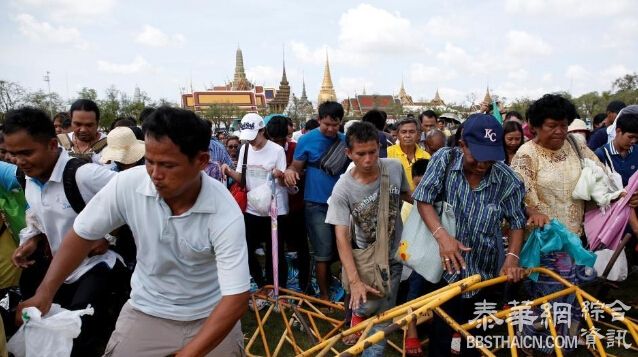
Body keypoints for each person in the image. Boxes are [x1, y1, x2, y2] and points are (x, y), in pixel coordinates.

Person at [18, 106, 250, 356]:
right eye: (150, 161)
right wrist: (45, 293)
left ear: (201, 162)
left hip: (210, 314)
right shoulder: (128, 184)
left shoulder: (223, 210)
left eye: (168, 165)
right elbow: (81, 234)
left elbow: (236, 298)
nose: (155, 175)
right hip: (146, 311)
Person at [4, 107, 118, 356]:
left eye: (26, 152)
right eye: (12, 154)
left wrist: (108, 236)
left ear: (52, 144)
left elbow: (132, 200)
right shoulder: (28, 181)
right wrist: (32, 240)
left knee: (79, 333)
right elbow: (37, 218)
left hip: (94, 267)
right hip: (59, 272)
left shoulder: (84, 175)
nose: (19, 161)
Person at [414, 113, 526, 356]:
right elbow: (423, 199)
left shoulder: (507, 180)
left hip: (483, 272)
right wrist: (443, 237)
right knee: (443, 331)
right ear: (462, 144)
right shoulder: (444, 160)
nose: (483, 165)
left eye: (490, 158)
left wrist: (512, 258)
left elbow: (517, 221)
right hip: (443, 268)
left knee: (476, 335)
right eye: (477, 156)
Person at [510, 94, 603, 355]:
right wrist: (536, 212)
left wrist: (611, 194)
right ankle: (531, 342)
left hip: (575, 238)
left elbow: (598, 174)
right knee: (546, 298)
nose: (560, 131)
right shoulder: (526, 154)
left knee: (570, 296)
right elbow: (524, 194)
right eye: (552, 125)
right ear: (536, 126)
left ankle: (563, 344)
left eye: (564, 124)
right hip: (544, 241)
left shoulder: (575, 144)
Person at [326, 121, 410, 356]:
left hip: (395, 254)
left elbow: (407, 195)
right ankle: (358, 318)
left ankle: (363, 333)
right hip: (367, 260)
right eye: (361, 154)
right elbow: (341, 235)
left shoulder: (394, 168)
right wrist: (354, 280)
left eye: (373, 152)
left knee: (382, 316)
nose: (368, 159)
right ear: (348, 153)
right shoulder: (343, 189)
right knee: (370, 309)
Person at [283, 101, 346, 301]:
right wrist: (290, 173)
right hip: (316, 203)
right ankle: (325, 296)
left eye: (334, 125)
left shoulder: (346, 142)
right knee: (322, 251)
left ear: (340, 123)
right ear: (319, 120)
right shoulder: (306, 140)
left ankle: (342, 287)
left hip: (342, 203)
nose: (330, 129)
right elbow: (296, 166)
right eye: (326, 124)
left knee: (343, 247)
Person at [223, 113, 288, 293]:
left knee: (275, 251)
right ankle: (261, 284)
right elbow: (242, 179)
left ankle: (277, 289)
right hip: (251, 207)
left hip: (274, 209)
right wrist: (228, 171)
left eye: (254, 137)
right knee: (246, 248)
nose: (251, 142)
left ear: (262, 131)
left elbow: (284, 182)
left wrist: (280, 175)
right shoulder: (244, 150)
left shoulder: (276, 150)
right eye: (248, 138)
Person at [266, 116, 311, 293]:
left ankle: (305, 286)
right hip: (273, 208)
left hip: (296, 205)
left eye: (280, 140)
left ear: (288, 134)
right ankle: (278, 286)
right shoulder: (266, 150)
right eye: (273, 140)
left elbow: (302, 174)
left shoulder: (296, 149)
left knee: (302, 247)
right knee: (275, 247)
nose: (277, 144)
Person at [595, 105, 638, 187]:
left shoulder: (636, 152)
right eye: (630, 137)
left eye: (636, 138)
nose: (633, 141)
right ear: (618, 131)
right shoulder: (601, 154)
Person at [58, 99, 108, 164]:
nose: (83, 130)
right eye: (78, 124)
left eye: (89, 125)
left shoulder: (110, 145)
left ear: (97, 123)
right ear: (71, 121)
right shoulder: (59, 143)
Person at [387, 119, 431, 191]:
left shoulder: (426, 156)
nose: (407, 135)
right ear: (397, 135)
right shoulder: (388, 153)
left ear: (418, 135)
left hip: (418, 200)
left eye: (412, 132)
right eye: (403, 132)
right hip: (396, 199)